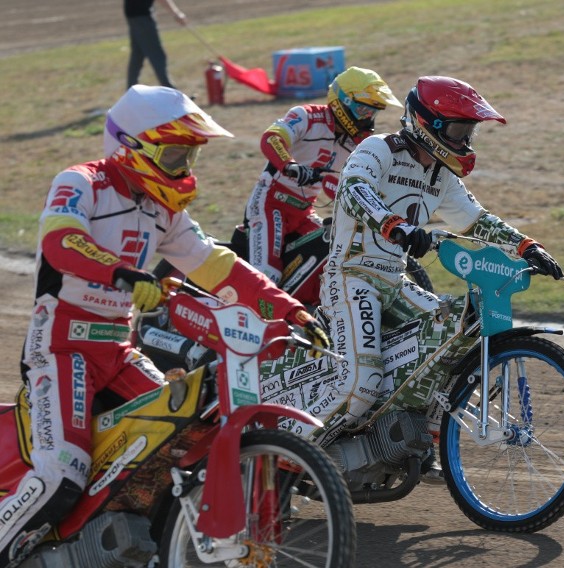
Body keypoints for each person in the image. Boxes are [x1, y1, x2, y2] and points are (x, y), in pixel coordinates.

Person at [0, 85, 329, 568]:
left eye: (189, 156)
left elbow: (217, 265)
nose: (184, 168)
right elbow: (60, 243)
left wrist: (288, 310)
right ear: (131, 147)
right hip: (61, 351)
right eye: (175, 154)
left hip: (119, 353)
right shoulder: (80, 182)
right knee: (62, 472)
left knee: (182, 439)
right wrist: (122, 272)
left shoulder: (165, 210)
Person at [309, 76, 564, 476]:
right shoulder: (378, 149)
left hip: (393, 283)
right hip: (349, 278)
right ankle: (296, 454)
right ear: (428, 125)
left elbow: (477, 221)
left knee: (457, 336)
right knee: (362, 384)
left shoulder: (442, 176)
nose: (466, 140)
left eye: (470, 131)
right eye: (460, 130)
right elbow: (354, 189)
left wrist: (526, 246)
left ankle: (418, 439)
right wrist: (397, 227)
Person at [234, 66, 402, 305]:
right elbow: (272, 138)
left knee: (333, 253)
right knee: (268, 275)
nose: (368, 119)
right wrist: (290, 165)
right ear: (343, 102)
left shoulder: (358, 144)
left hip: (304, 212)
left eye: (373, 113)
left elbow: (341, 185)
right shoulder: (306, 116)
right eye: (364, 110)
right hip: (270, 206)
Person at [125, 0, 186, 90]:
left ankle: (130, 92)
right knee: (157, 55)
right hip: (142, 16)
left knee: (137, 56)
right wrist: (176, 13)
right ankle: (171, 92)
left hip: (135, 15)